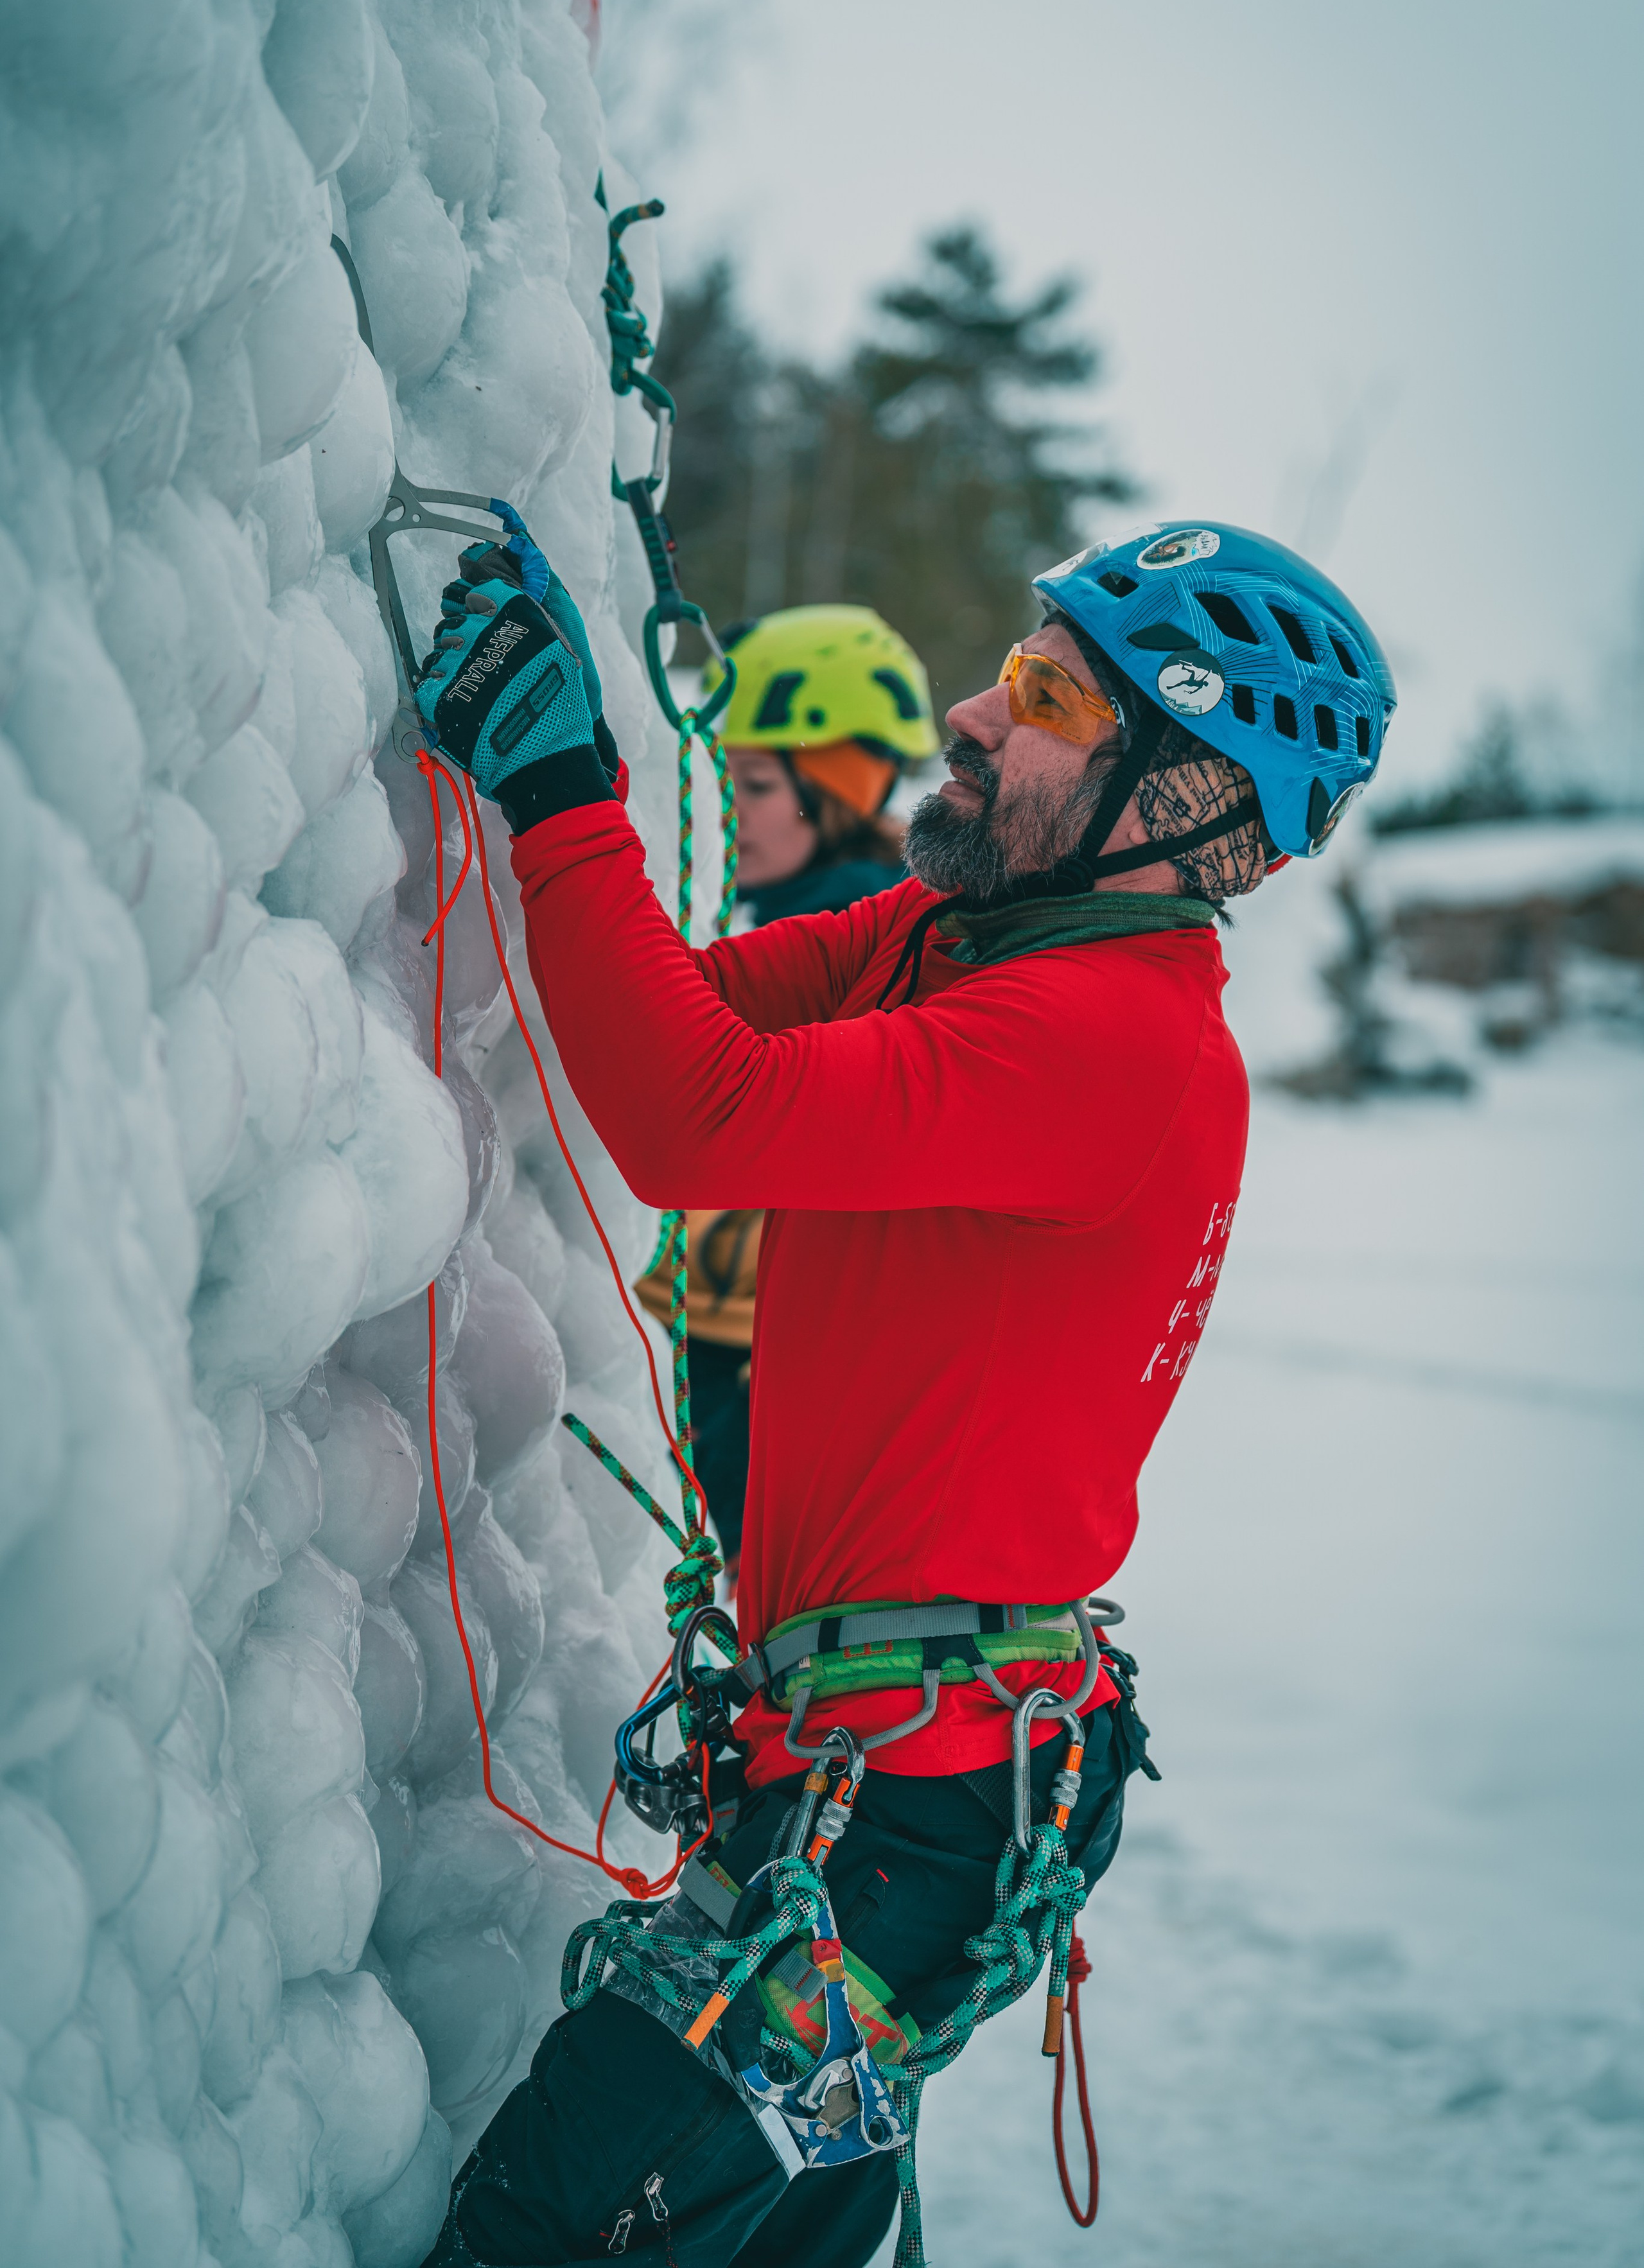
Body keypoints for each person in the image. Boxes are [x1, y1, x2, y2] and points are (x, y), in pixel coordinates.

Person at [412, 519, 1395, 2267]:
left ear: (1184, 802)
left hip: (905, 1816)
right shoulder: (964, 936)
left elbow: (687, 1119)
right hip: (887, 1789)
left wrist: (567, 786)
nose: (967, 713)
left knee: (554, 2229)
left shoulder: (1116, 1037)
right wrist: (561, 807)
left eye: (1045, 695)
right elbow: (683, 1019)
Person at [634, 605, 940, 1581]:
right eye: (722, 775)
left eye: (757, 783)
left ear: (838, 790)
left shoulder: (846, 926)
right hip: (766, 1330)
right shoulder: (839, 907)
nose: (726, 804)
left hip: (771, 1344)